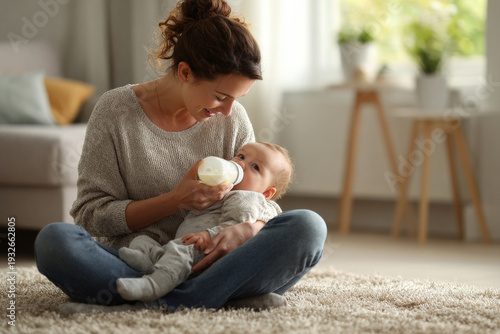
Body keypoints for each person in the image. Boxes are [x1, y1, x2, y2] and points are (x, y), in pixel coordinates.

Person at [34, 0, 327, 313]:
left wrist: (248, 230)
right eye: (221, 96)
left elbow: (258, 202)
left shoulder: (233, 117)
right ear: (185, 72)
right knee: (55, 241)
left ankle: (151, 304)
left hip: (208, 263)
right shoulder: (115, 111)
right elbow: (91, 215)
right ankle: (212, 299)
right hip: (138, 262)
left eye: (237, 99)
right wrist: (175, 200)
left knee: (309, 227)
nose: (228, 111)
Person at [116, 141, 293, 302]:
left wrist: (209, 236)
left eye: (255, 167)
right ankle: (154, 263)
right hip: (189, 248)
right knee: (143, 240)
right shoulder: (224, 191)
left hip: (210, 251)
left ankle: (152, 287)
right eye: (241, 156)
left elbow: (237, 228)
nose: (240, 164)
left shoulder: (246, 198)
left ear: (266, 193)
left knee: (179, 251)